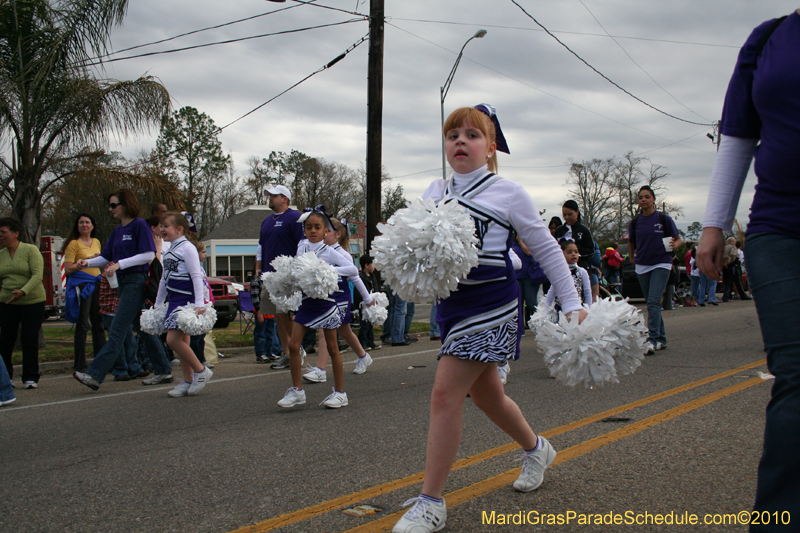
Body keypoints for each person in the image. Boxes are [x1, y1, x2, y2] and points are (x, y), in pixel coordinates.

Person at [391, 105, 586, 533]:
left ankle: (431, 501)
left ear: (491, 147)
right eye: (452, 134)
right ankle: (537, 449)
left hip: (493, 306)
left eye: (472, 135)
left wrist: (570, 301)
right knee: (487, 397)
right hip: (453, 307)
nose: (460, 141)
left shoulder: (508, 192)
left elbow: (548, 249)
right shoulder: (434, 189)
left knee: (446, 394)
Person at [696, 11, 800, 529]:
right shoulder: (769, 39)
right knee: (798, 373)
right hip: (781, 225)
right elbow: (738, 134)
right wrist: (714, 224)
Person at [276, 209, 363, 409]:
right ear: (304, 230)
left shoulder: (329, 251)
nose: (313, 231)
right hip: (307, 304)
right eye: (309, 227)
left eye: (317, 227)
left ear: (326, 231)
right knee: (293, 345)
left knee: (333, 348)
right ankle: (297, 391)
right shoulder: (302, 248)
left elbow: (351, 269)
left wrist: (328, 270)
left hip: (326, 305)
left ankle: (341, 394)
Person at [73, 188, 156, 390]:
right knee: (143, 329)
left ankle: (94, 374)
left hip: (136, 281)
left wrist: (120, 264)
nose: (111, 209)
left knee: (117, 329)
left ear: (125, 204)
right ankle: (163, 369)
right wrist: (88, 262)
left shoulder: (140, 225)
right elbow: (105, 257)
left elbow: (148, 255)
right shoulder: (117, 231)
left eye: (113, 205)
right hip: (123, 282)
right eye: (109, 205)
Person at [302, 217, 375, 383]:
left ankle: (320, 370)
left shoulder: (342, 255)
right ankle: (363, 356)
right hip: (326, 296)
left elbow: (355, 278)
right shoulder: (320, 251)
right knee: (344, 331)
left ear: (338, 234)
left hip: (339, 297)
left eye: (327, 230)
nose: (324, 233)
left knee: (325, 329)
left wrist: (367, 297)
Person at [153, 213, 212, 397]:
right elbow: (164, 278)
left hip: (186, 299)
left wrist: (199, 303)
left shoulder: (188, 248)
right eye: (161, 226)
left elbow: (196, 275)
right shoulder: (169, 249)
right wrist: (158, 303)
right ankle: (188, 381)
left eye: (166, 226)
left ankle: (201, 371)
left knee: (173, 340)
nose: (162, 229)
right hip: (174, 299)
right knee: (183, 341)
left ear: (179, 229)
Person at [255, 185, 305, 370]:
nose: (269, 198)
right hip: (270, 275)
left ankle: (296, 349)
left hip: (288, 275)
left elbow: (302, 244)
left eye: (273, 196)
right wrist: (258, 266)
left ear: (284, 198)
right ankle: (287, 353)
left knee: (288, 314)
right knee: (278, 315)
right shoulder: (266, 221)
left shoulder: (295, 218)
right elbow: (261, 245)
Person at [628, 185, 682, 355]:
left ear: (653, 199)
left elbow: (679, 240)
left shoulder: (663, 219)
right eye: (640, 197)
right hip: (643, 264)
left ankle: (652, 339)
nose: (643, 200)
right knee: (652, 304)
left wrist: (675, 245)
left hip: (662, 263)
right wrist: (631, 258)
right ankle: (661, 339)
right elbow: (631, 242)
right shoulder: (635, 222)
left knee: (653, 301)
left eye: (647, 197)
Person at [0, 217, 45, 389]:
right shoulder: (1, 255)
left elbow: (37, 275)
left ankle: (30, 377)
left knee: (29, 339)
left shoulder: (30, 250)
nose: (1, 236)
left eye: (3, 232)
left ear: (15, 233)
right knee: (6, 340)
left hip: (32, 301)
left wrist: (23, 291)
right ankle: (6, 377)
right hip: (7, 303)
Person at [61, 213, 106, 373]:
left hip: (96, 284)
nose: (84, 225)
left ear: (92, 226)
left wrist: (97, 258)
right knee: (83, 325)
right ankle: (79, 364)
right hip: (82, 285)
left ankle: (101, 362)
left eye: (87, 222)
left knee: (98, 323)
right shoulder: (73, 244)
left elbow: (99, 262)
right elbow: (68, 268)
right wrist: (80, 265)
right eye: (81, 223)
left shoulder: (96, 242)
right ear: (77, 226)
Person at [554, 200, 599, 302]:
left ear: (577, 212)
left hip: (581, 266)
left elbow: (591, 250)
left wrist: (574, 250)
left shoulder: (583, 230)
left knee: (582, 293)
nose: (567, 217)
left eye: (570, 214)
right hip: (562, 268)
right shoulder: (559, 231)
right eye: (564, 215)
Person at [545, 240, 592, 309]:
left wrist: (589, 308)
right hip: (561, 309)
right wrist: (545, 309)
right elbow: (552, 291)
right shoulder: (559, 272)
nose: (573, 254)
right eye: (569, 252)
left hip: (577, 308)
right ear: (562, 254)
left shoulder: (582, 272)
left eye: (576, 252)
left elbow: (587, 291)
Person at [356, 254, 381, 350]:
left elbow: (375, 288)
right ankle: (362, 342)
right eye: (373, 264)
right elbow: (358, 292)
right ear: (366, 265)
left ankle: (371, 341)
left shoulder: (372, 276)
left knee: (371, 323)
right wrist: (360, 305)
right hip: (364, 304)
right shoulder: (361, 277)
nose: (374, 267)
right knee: (365, 324)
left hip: (372, 303)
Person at [722, 236, 751, 301]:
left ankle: (728, 295)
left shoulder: (725, 247)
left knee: (729, 282)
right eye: (734, 241)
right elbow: (733, 255)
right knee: (738, 281)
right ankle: (743, 295)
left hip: (725, 265)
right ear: (731, 241)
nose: (735, 242)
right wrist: (734, 262)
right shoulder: (733, 247)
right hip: (733, 267)